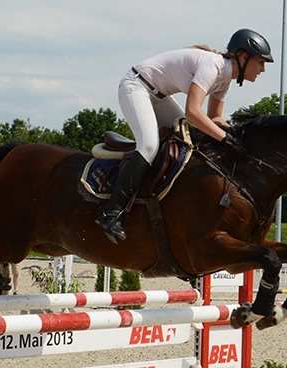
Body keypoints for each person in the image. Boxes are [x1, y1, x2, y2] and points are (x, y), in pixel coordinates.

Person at [96, 28, 274, 244]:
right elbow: (192, 111)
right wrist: (224, 139)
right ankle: (111, 213)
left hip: (158, 96)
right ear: (244, 57)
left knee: (192, 139)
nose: (263, 69)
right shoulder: (213, 66)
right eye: (261, 62)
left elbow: (215, 118)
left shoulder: (225, 79)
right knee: (149, 146)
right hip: (136, 86)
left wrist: (237, 137)